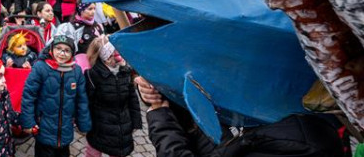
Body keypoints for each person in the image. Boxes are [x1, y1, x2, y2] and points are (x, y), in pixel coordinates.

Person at [134, 76, 345, 156]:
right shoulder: (265, 124)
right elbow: (223, 143)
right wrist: (167, 99)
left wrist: (160, 113)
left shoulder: (297, 145)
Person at [20, 34, 92, 157]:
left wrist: (83, 122)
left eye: (67, 50)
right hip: (44, 128)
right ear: (51, 49)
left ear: (72, 53)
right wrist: (28, 122)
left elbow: (81, 100)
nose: (62, 53)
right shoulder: (40, 67)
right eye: (58, 48)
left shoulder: (76, 71)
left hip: (65, 129)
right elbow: (28, 96)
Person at [84, 37, 141, 157]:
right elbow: (86, 102)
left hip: (122, 126)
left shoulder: (124, 72)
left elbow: (132, 99)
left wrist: (136, 122)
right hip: (99, 126)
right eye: (114, 52)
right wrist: (85, 123)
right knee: (93, 152)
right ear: (107, 56)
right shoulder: (93, 74)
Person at [72, 1, 104, 70]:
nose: (93, 12)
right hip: (85, 65)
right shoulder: (75, 28)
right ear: (81, 10)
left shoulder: (97, 24)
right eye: (90, 9)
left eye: (94, 9)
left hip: (100, 62)